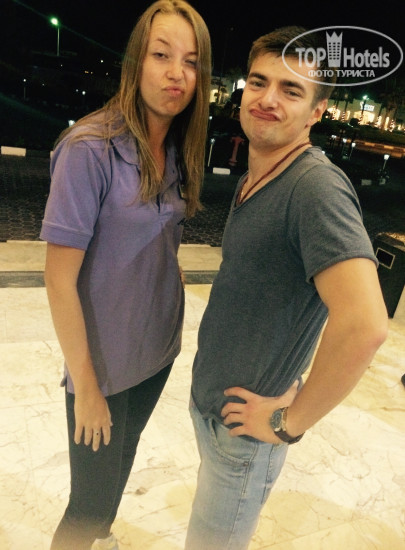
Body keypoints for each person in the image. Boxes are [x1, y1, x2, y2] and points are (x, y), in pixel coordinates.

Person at [185, 26, 388, 550]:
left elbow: (365, 325)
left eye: (291, 90)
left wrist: (287, 423)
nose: (268, 99)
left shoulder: (315, 188)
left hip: (245, 437)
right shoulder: (258, 173)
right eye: (258, 82)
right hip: (216, 412)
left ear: (317, 111)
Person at [39, 2, 211, 549]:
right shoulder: (88, 150)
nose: (176, 73)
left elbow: (162, 239)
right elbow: (58, 280)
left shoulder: (179, 148)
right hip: (102, 368)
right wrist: (86, 388)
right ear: (136, 60)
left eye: (190, 61)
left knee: (120, 466)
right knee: (86, 505)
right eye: (161, 55)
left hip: (156, 353)